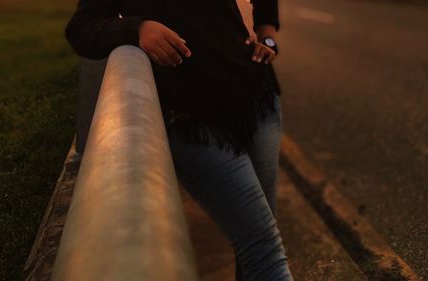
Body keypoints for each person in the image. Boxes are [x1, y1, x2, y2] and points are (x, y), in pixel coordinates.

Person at [65, 0, 294, 280]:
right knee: (263, 248)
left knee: (258, 238)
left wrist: (266, 33)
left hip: (256, 97)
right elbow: (82, 29)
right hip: (191, 119)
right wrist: (138, 28)